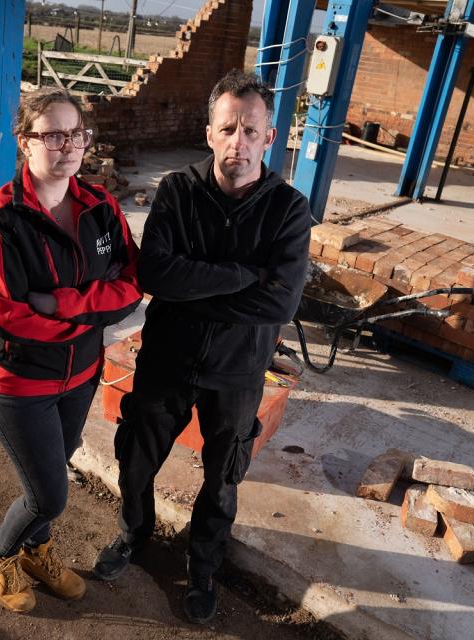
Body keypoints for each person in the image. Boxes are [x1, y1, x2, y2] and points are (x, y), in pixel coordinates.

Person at [92, 70, 312, 624]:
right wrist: (243, 275)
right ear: (210, 133)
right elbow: (158, 275)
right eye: (228, 128)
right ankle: (133, 532)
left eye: (250, 129)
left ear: (269, 135)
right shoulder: (177, 190)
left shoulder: (287, 208)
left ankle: (203, 566)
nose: (238, 140)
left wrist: (197, 287)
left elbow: (280, 305)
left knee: (222, 478)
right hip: (167, 360)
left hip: (238, 373)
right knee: (136, 460)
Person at [0, 88, 142, 613]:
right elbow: (12, 316)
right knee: (49, 493)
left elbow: (133, 283)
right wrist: (93, 315)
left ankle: (35, 550)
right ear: (25, 142)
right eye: (53, 134)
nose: (68, 146)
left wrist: (64, 302)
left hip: (81, 376)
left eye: (77, 134)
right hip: (21, 383)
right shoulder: (0, 217)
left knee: (53, 467)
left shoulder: (100, 206)